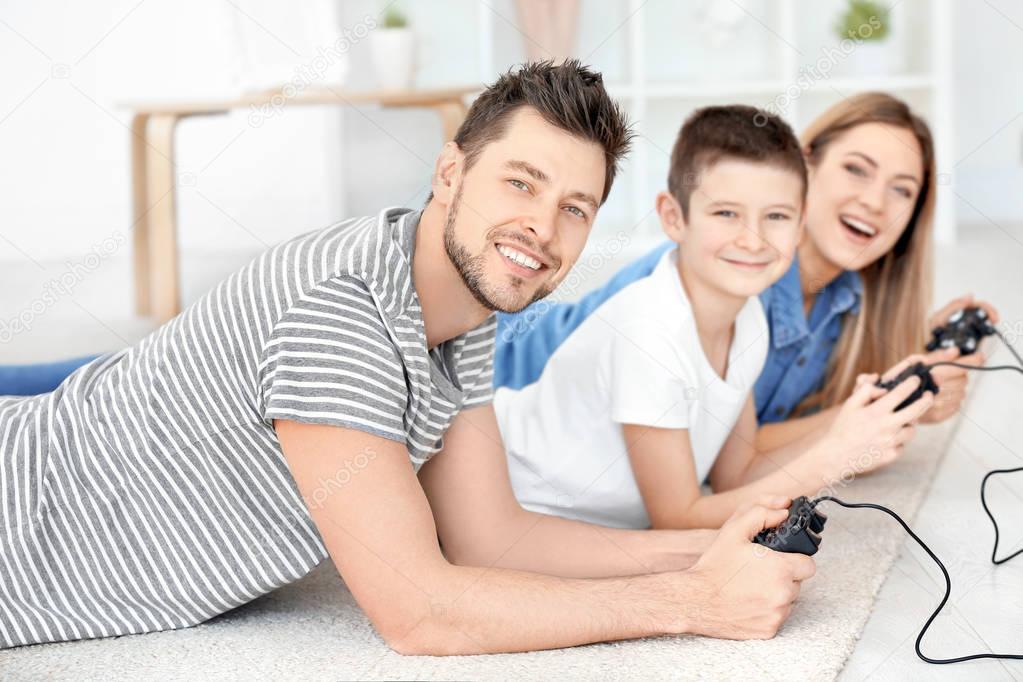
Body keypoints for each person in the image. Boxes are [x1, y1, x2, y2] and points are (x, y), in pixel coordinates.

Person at [0, 61, 815, 654]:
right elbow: (421, 612)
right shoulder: (341, 308)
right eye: (520, 184)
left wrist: (710, 547)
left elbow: (490, 540)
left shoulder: (465, 310)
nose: (543, 228)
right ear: (449, 171)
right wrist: (694, 601)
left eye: (575, 207)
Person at [494, 92, 997, 467]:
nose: (875, 202)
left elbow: (759, 437)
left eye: (902, 191)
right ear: (804, 167)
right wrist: (887, 404)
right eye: (856, 170)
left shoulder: (845, 301)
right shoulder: (730, 273)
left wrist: (918, 366)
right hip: (501, 368)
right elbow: (718, 452)